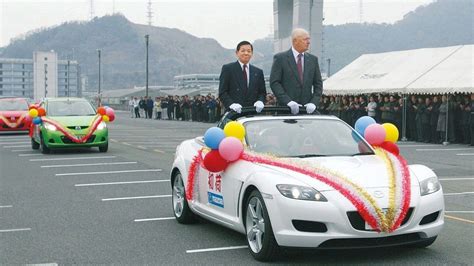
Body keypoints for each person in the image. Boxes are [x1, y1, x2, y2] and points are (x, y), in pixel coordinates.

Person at [270, 28, 323, 114]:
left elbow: (318, 84)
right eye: (305, 39)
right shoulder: (280, 59)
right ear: (295, 41)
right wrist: (288, 101)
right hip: (286, 110)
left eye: (309, 39)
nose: (308, 42)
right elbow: (275, 83)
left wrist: (314, 103)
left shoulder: (313, 60)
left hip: (307, 110)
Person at [218, 40, 267, 113]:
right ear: (237, 53)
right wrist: (231, 104)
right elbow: (222, 92)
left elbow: (262, 93)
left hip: (252, 112)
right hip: (234, 113)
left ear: (252, 53)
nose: (246, 53)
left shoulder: (258, 72)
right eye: (243, 51)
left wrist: (260, 101)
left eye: (249, 51)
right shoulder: (228, 69)